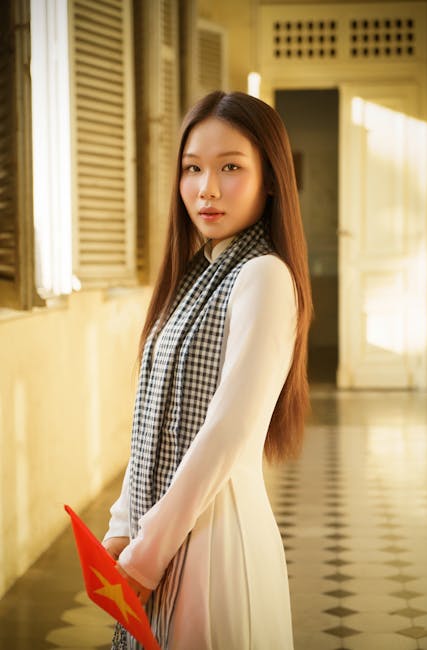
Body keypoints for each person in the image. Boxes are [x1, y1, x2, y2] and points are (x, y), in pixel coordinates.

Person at [102, 90, 312, 650]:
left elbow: (227, 432)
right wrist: (123, 525)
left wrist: (146, 553)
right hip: (167, 531)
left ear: (271, 179)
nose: (207, 188)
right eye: (192, 168)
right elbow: (150, 420)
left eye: (230, 168)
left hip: (216, 545)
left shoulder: (263, 275)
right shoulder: (197, 272)